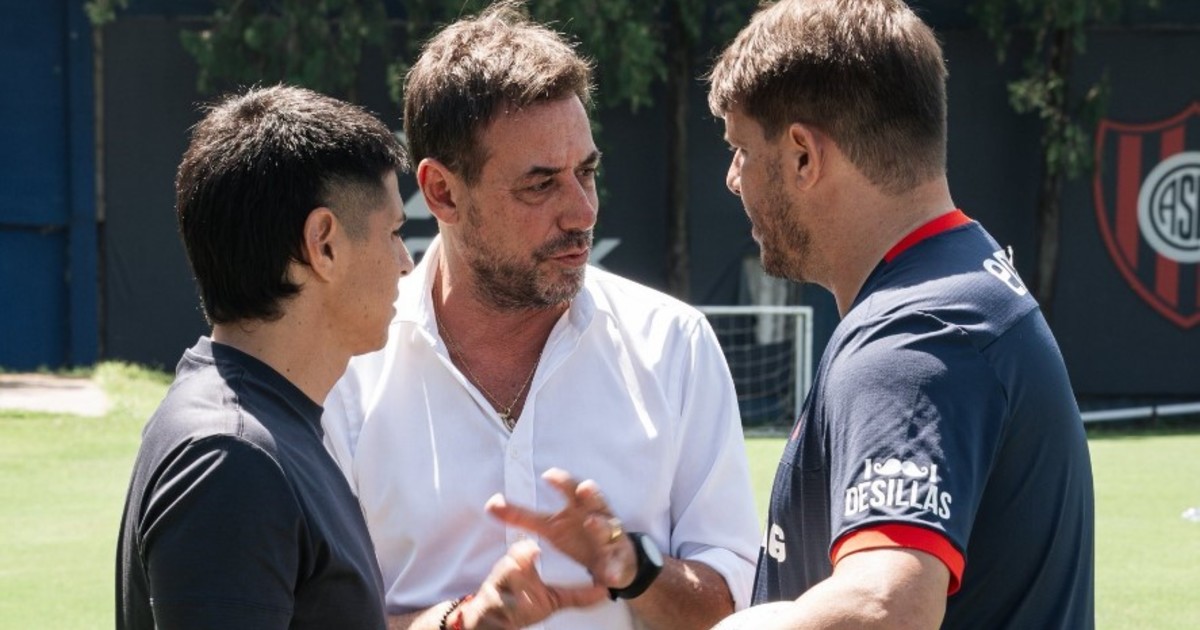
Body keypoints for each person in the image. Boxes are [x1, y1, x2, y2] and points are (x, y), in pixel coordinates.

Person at [320, 3, 761, 629]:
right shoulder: (348, 372)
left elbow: (730, 606)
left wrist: (637, 568)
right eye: (540, 184)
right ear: (442, 191)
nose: (582, 212)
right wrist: (458, 623)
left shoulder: (673, 345)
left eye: (587, 172)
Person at [705, 0, 1095, 628]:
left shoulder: (914, 336)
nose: (733, 178)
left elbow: (887, 605)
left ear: (803, 155)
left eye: (742, 149)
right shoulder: (961, 277)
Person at [115, 84, 414, 629]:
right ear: (323, 244)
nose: (406, 262)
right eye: (394, 233)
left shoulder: (258, 430)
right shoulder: (232, 458)